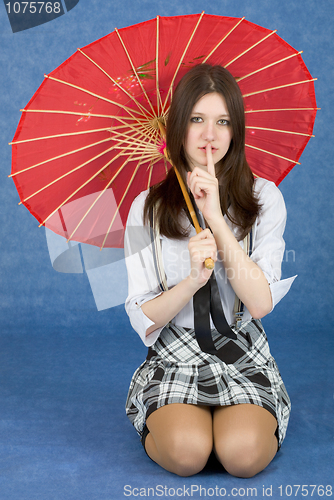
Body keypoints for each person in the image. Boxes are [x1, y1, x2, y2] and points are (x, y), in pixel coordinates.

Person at [124, 64, 294, 478]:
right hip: (175, 352)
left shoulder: (265, 198)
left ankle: (232, 419)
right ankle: (166, 417)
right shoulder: (147, 209)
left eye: (223, 122)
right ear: (179, 127)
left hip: (242, 349)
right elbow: (141, 315)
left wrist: (217, 220)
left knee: (242, 456)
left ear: (235, 131)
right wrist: (192, 280)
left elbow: (260, 303)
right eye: (197, 120)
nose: (209, 136)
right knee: (186, 454)